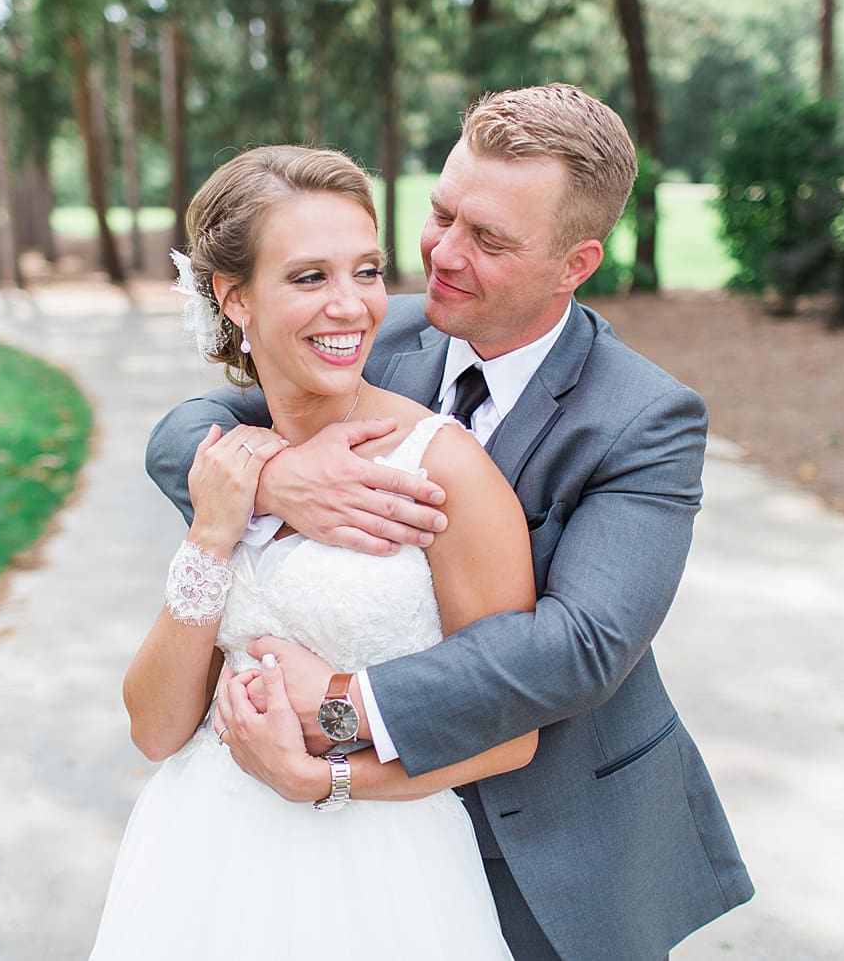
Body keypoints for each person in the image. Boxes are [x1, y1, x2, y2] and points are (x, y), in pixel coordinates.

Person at [146, 84, 753, 960]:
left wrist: (343, 711)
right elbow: (184, 430)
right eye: (440, 214)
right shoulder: (379, 331)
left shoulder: (643, 417)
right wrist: (278, 478)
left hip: (551, 836)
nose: (443, 254)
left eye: (490, 239)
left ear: (573, 263)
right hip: (334, 857)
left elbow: (580, 643)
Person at [89, 145, 542, 960]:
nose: (352, 306)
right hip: (196, 865)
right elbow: (157, 729)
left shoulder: (441, 472)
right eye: (308, 277)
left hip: (381, 884)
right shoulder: (231, 466)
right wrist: (211, 532)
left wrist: (325, 762)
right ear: (234, 296)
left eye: (366, 272)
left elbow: (509, 733)